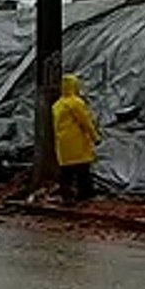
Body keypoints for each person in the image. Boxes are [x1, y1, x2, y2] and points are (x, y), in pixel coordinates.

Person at [53, 74, 101, 204]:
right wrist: (95, 137)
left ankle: (66, 196)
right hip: (78, 142)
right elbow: (85, 122)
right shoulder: (76, 103)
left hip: (63, 143)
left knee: (66, 172)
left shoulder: (57, 104)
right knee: (83, 170)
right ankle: (85, 194)